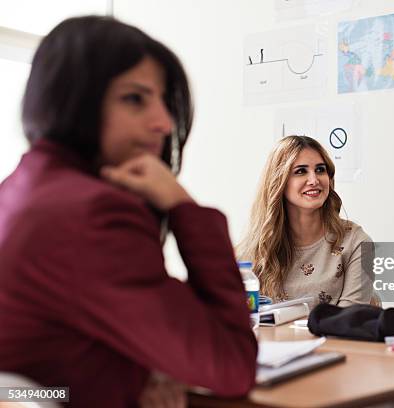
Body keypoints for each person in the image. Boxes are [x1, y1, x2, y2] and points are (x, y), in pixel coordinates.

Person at [0, 16, 257, 407]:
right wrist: (183, 206)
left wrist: (133, 376)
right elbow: (233, 366)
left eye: (162, 100)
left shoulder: (18, 190)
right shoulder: (92, 215)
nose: (164, 122)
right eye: (135, 99)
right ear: (72, 99)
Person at [238, 136, 374, 306]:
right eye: (301, 171)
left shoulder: (357, 243)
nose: (314, 180)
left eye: (320, 170)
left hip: (335, 334)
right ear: (279, 182)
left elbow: (348, 321)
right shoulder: (254, 250)